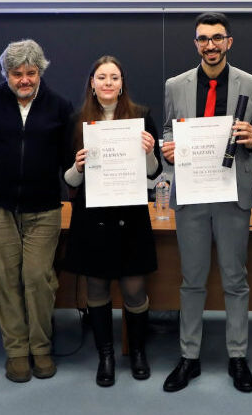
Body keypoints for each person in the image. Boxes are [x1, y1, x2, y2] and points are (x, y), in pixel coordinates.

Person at [160, 12, 252, 393]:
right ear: (196, 43)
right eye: (203, 38)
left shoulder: (251, 85)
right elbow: (170, 128)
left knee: (236, 280)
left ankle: (238, 356)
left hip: (233, 193)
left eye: (217, 38)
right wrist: (167, 147)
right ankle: (190, 357)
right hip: (191, 193)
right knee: (192, 281)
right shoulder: (176, 85)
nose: (211, 45)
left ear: (229, 42)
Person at [0, 39, 74, 383]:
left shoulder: (59, 106)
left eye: (30, 73)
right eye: (17, 74)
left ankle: (40, 347)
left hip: (44, 208)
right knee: (5, 280)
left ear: (40, 72)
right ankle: (16, 351)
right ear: (6, 74)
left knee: (38, 279)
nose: (24, 80)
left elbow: (68, 161)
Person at [63, 56, 163, 387]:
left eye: (114, 77)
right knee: (97, 286)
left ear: (122, 84)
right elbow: (68, 182)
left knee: (134, 288)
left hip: (130, 215)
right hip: (93, 218)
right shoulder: (77, 121)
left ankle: (137, 352)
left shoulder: (141, 116)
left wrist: (149, 150)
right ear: (92, 82)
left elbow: (154, 172)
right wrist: (77, 167)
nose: (108, 82)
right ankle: (105, 356)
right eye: (102, 77)